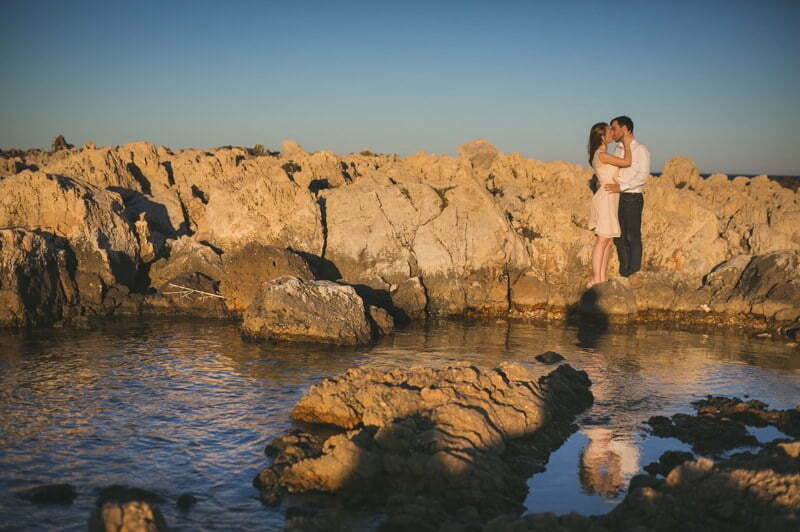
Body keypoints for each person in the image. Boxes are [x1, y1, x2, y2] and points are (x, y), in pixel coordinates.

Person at [604, 116, 651, 277]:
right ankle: (624, 273)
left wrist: (621, 186)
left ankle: (634, 274)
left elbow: (642, 176)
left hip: (632, 198)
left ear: (625, 129)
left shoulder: (641, 150)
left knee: (633, 236)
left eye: (614, 128)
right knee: (620, 237)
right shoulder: (617, 149)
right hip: (617, 197)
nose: (612, 132)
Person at [587, 122, 632, 288]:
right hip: (606, 198)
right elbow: (627, 162)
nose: (612, 134)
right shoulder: (602, 154)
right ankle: (596, 278)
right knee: (602, 239)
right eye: (609, 132)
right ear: (602, 137)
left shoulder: (603, 153)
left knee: (607, 240)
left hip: (611, 197)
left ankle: (602, 276)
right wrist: (627, 144)